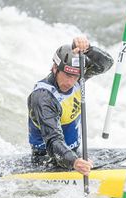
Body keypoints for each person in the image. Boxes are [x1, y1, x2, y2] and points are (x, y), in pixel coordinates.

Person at [28, 37, 113, 176]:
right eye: (67, 75)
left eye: (76, 76)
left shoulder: (78, 77)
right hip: (48, 160)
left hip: (73, 155)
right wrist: (74, 162)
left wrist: (89, 50)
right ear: (55, 68)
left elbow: (106, 64)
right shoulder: (43, 97)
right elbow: (53, 141)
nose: (71, 81)